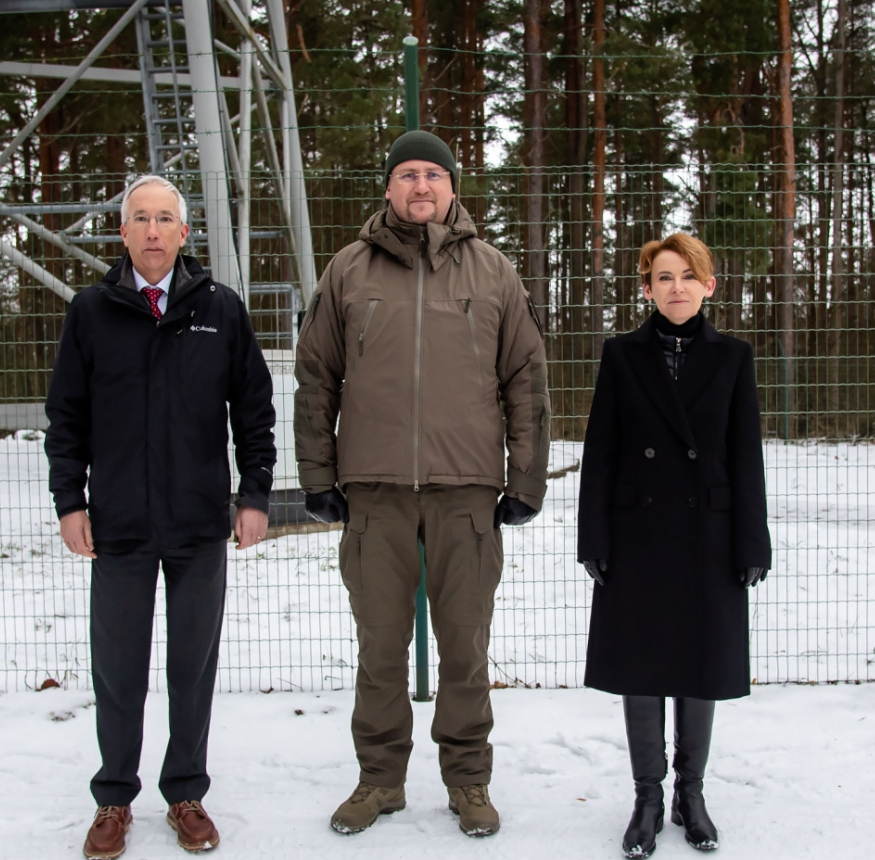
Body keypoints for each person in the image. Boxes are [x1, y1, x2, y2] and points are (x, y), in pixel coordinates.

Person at [293, 130, 551, 838]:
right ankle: (379, 779)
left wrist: (524, 477)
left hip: (465, 491)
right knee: (380, 646)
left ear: (452, 187)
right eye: (406, 174)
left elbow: (525, 380)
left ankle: (468, 780)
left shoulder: (493, 271)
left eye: (433, 174)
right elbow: (315, 376)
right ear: (388, 187)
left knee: (464, 646)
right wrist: (318, 473)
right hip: (372, 491)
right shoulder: (347, 271)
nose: (420, 186)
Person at [45, 174, 277, 858]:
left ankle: (185, 793)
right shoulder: (91, 312)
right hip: (118, 525)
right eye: (140, 219)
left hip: (199, 523)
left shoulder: (221, 310)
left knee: (191, 667)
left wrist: (255, 494)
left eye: (165, 219)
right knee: (117, 667)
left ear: (184, 233)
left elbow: (255, 413)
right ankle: (114, 799)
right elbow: (67, 418)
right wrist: (70, 502)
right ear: (122, 233)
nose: (152, 231)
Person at [576, 233, 771, 857]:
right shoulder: (621, 355)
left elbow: (746, 457)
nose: (677, 287)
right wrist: (594, 537)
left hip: (708, 537)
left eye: (689, 276)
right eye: (664, 277)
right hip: (639, 535)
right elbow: (600, 454)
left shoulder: (734, 358)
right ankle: (647, 796)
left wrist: (752, 541)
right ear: (646, 287)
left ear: (709, 286)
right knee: (640, 665)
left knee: (701, 664)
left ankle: (692, 793)